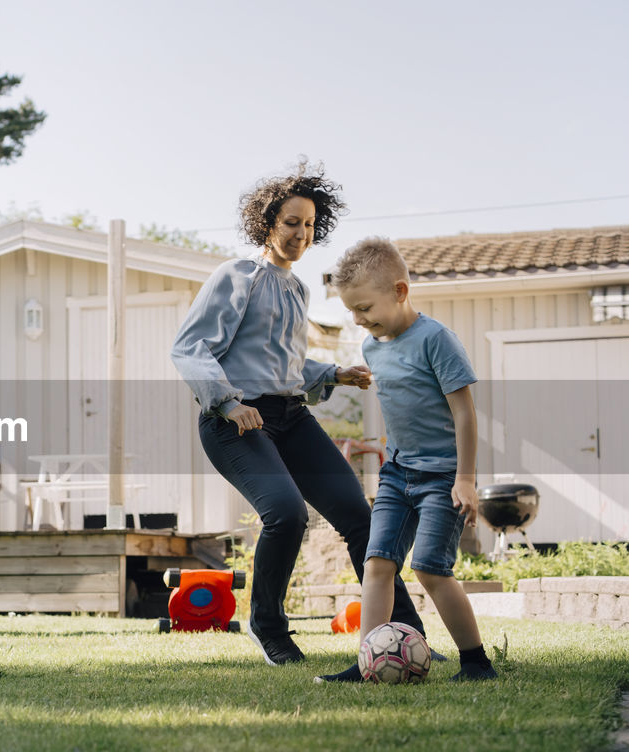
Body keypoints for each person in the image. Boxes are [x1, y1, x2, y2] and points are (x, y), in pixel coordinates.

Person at [170, 162, 431, 666]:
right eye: (292, 222)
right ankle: (266, 625)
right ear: (267, 222)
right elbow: (190, 347)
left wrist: (334, 374)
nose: (301, 234)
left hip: (291, 417)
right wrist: (228, 402)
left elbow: (283, 366)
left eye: (310, 225)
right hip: (234, 422)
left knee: (361, 518)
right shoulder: (236, 276)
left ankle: (407, 633)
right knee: (286, 514)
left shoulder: (297, 290)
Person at [320, 237, 496, 682]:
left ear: (400, 291)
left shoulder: (436, 340)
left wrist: (466, 479)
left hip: (442, 477)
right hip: (397, 473)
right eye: (353, 312)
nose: (359, 321)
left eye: (365, 308)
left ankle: (476, 662)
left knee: (431, 569)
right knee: (377, 564)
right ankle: (369, 662)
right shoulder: (372, 348)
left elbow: (464, 412)